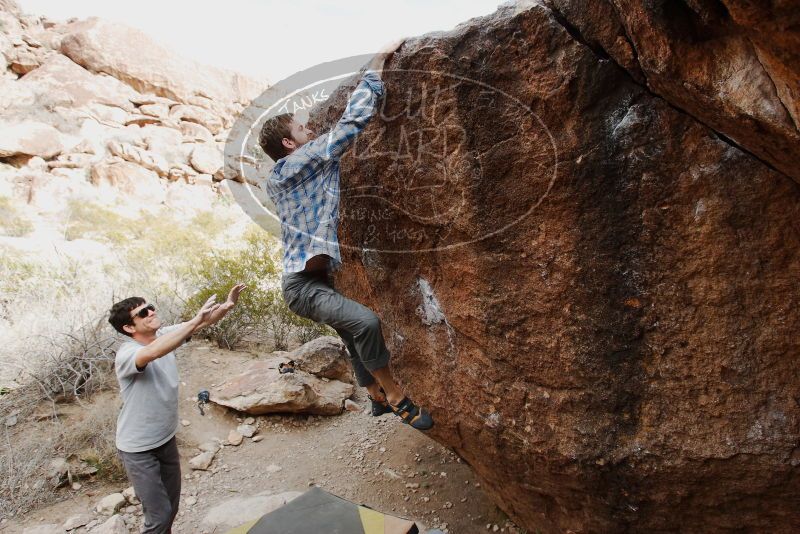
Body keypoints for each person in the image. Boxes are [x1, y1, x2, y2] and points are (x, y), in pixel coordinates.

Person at [259, 39, 433, 431]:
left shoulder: (294, 171)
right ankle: (396, 396)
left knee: (353, 336)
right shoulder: (295, 165)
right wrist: (377, 64)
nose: (311, 131)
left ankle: (372, 397)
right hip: (304, 286)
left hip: (317, 278)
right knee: (366, 323)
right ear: (289, 144)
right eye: (303, 128)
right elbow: (350, 124)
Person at [107, 284, 245, 533]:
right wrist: (194, 320)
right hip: (139, 449)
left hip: (165, 440)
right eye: (142, 313)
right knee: (158, 517)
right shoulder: (128, 353)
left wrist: (226, 306)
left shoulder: (163, 335)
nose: (150, 312)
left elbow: (202, 323)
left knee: (171, 508)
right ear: (129, 327)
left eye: (150, 308)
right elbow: (154, 352)